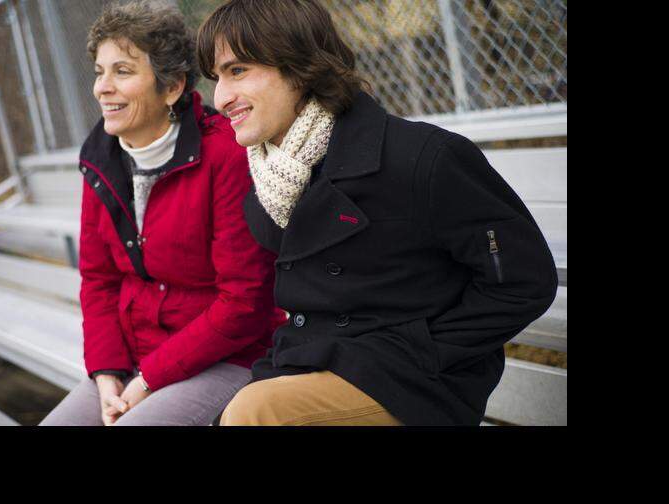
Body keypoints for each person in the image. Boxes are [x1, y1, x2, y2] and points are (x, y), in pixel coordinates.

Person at [196, 0, 558, 426]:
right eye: (216, 77)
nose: (220, 97)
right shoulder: (271, 185)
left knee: (256, 412)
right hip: (316, 367)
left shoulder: (420, 158)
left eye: (238, 70)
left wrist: (427, 352)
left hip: (413, 385)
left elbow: (523, 280)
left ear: (299, 65)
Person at [41, 0, 284, 427]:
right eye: (100, 72)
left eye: (123, 71)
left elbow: (243, 303)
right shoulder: (100, 159)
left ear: (171, 87)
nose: (102, 87)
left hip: (227, 358)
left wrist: (148, 380)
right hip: (135, 358)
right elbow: (99, 280)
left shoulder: (225, 154)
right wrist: (106, 375)